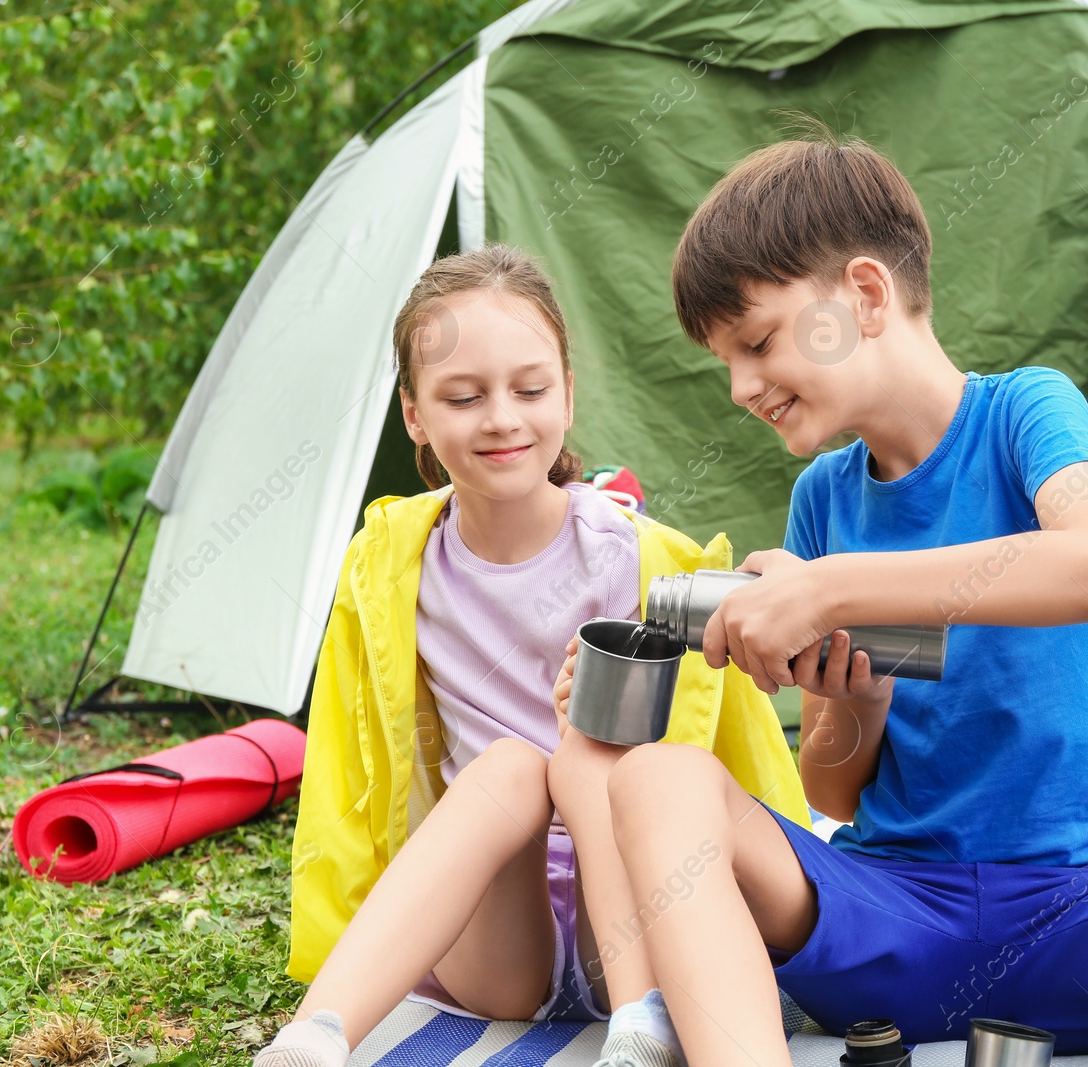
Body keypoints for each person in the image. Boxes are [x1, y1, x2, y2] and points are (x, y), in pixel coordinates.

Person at [599, 134, 1088, 1067]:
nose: (740, 387)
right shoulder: (824, 497)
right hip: (897, 923)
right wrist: (857, 703)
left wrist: (827, 587)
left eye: (758, 342)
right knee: (655, 779)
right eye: (724, 362)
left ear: (863, 297)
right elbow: (830, 785)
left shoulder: (1027, 410)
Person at [252, 244, 808, 1067]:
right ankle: (315, 1034)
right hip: (494, 947)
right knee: (512, 766)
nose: (502, 418)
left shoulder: (641, 559)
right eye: (463, 396)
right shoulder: (392, 567)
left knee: (590, 752)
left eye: (531, 388)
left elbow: (733, 751)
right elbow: (348, 767)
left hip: (634, 922)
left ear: (570, 394)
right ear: (414, 414)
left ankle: (640, 1024)